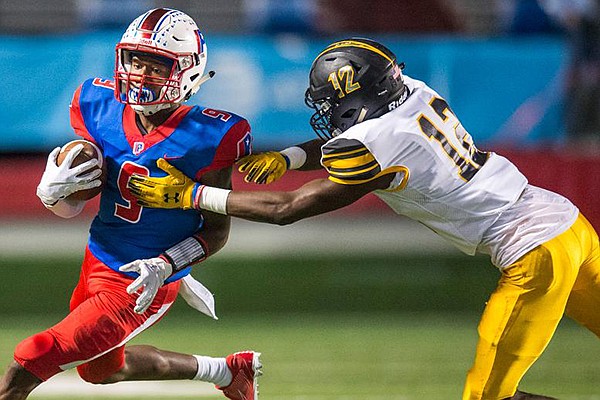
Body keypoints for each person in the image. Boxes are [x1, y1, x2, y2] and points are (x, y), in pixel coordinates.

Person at [127, 38, 600, 400]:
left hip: (535, 252)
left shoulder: (380, 140)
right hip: (566, 223)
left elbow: (289, 209)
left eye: (330, 104)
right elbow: (356, 140)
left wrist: (193, 195)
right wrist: (290, 157)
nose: (327, 114)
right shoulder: (411, 92)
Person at [0, 8, 261, 400]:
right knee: (101, 371)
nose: (140, 73)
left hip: (142, 282)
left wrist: (169, 264)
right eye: (135, 60)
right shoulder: (95, 102)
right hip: (97, 257)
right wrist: (55, 193)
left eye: (156, 65)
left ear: (187, 71)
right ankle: (227, 371)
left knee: (31, 359)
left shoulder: (212, 135)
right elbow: (79, 199)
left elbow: (216, 231)